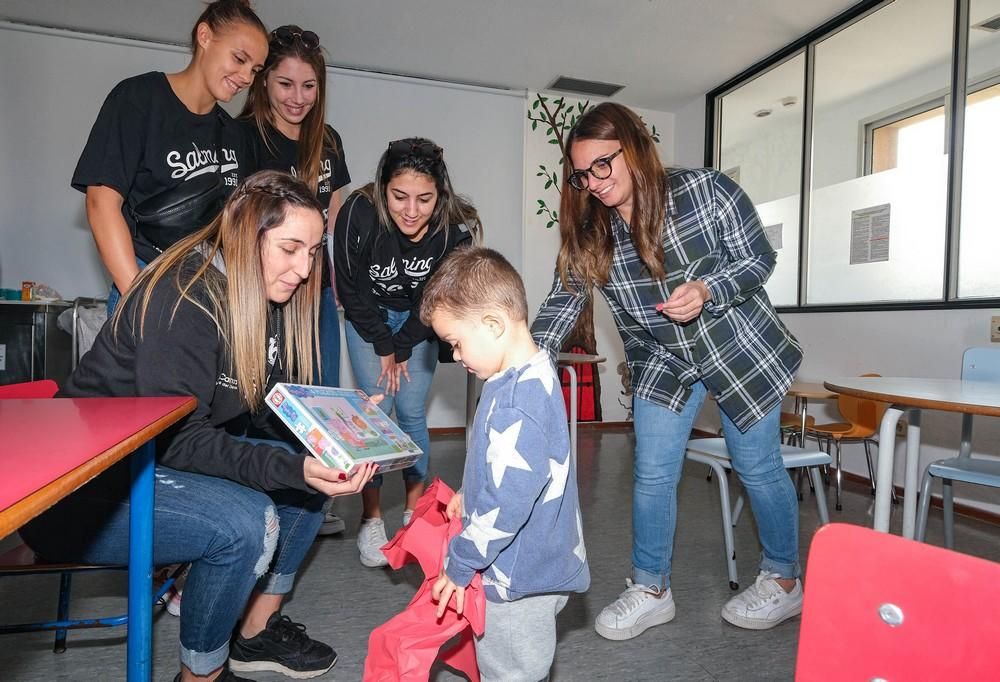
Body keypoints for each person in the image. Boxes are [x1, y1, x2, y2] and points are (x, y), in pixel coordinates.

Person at [21, 171, 377, 682]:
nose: (304, 269)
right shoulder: (184, 296)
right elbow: (181, 439)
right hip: (76, 493)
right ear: (246, 235)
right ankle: (201, 676)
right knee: (248, 521)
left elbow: (268, 404)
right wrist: (292, 465)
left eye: (312, 252)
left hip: (148, 462)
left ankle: (253, 634)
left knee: (315, 482)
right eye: (291, 249)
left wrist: (344, 423)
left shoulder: (255, 293)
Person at [531, 102, 805, 638]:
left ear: (634, 148)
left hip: (737, 347)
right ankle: (651, 587)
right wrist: (523, 359)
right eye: (582, 174)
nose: (594, 183)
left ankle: (784, 580)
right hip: (662, 356)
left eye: (603, 166)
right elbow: (563, 301)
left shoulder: (706, 191)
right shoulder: (591, 230)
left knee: (758, 467)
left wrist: (709, 290)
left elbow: (757, 257)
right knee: (653, 473)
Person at [422, 246, 590, 682]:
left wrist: (460, 564)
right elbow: (506, 469)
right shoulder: (522, 375)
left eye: (457, 343)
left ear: (493, 325)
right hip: (534, 559)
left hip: (515, 577)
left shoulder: (518, 403)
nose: (456, 356)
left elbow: (508, 504)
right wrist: (469, 493)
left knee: (510, 671)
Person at [334, 138, 481, 567]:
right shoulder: (357, 213)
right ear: (383, 189)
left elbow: (439, 301)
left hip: (420, 320)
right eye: (399, 197)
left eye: (425, 198)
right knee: (376, 415)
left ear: (441, 195)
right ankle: (372, 519)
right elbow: (349, 287)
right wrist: (383, 343)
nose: (411, 211)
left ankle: (415, 513)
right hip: (367, 317)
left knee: (413, 412)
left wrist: (401, 346)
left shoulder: (453, 231)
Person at [71, 0, 269, 315]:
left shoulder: (234, 134)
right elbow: (101, 203)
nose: (246, 77)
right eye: (240, 59)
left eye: (255, 70)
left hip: (207, 296)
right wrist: (139, 301)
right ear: (205, 36)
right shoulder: (139, 100)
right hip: (146, 282)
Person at [239, 24, 351, 537]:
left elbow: (337, 213)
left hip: (315, 290)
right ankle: (254, 505)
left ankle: (309, 495)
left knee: (317, 392)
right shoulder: (242, 138)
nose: (298, 98)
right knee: (257, 398)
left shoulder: (327, 141)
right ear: (263, 82)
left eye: (309, 87)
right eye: (286, 84)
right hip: (260, 290)